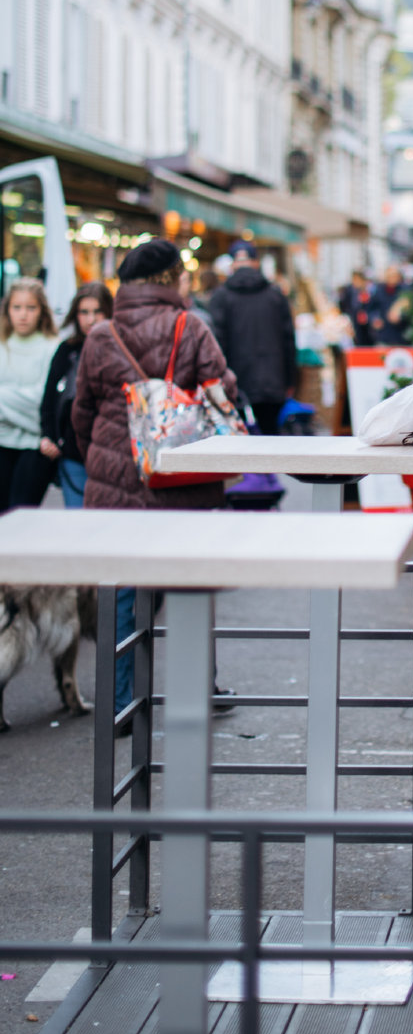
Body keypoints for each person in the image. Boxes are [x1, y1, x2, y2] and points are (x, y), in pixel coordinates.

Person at [72, 238, 239, 719]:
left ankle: (120, 702)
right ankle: (195, 691)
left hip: (116, 479)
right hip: (182, 478)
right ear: (169, 278)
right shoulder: (190, 327)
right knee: (186, 583)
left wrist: (103, 461)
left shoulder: (101, 334)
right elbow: (222, 391)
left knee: (122, 589)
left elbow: (81, 413)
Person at [208, 241, 297, 435]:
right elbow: (289, 341)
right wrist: (291, 380)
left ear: (232, 265)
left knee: (239, 444)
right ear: (256, 263)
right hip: (273, 382)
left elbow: (216, 345)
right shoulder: (275, 296)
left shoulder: (220, 298)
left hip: (235, 384)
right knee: (272, 439)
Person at [39, 282, 113, 508]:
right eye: (84, 312)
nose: (91, 319)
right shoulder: (67, 350)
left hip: (110, 453)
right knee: (77, 519)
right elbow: (49, 399)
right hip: (72, 452)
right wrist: (49, 436)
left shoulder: (120, 349)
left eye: (97, 311)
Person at [0, 278, 59, 512]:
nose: (23, 315)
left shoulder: (53, 347)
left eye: (30, 307)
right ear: (8, 310)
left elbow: (43, 401)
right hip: (2, 442)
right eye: (17, 307)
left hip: (36, 446)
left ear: (41, 311)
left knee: (20, 515)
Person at [368, 265, 412, 344]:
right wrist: (375, 319)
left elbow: (410, 310)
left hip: (401, 335)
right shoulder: (379, 290)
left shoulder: (405, 291)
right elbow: (372, 308)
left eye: (394, 276)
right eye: (390, 276)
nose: (392, 279)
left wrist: (401, 316)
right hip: (384, 334)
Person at [338, 269, 373, 346]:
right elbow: (344, 308)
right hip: (354, 324)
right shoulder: (348, 292)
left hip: (367, 327)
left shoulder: (369, 291)